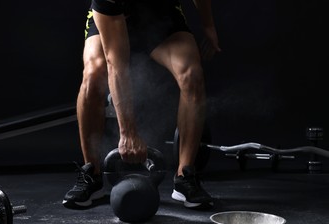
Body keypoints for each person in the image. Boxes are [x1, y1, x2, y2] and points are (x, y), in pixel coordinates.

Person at [63, 0, 221, 209]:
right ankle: (91, 174)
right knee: (93, 75)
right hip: (114, 17)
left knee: (191, 74)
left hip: (160, 14)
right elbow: (115, 63)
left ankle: (185, 176)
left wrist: (209, 27)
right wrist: (128, 133)